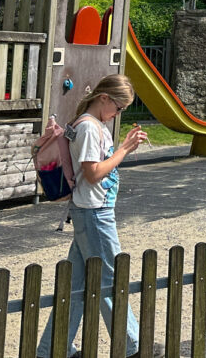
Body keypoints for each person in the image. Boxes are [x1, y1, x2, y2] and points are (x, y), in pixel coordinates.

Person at [36, 75, 151, 358]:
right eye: (118, 107)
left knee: (76, 285)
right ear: (104, 98)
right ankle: (132, 347)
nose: (118, 113)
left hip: (91, 211)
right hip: (95, 213)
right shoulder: (88, 127)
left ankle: (53, 349)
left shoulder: (91, 125)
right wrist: (124, 149)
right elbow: (93, 173)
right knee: (111, 279)